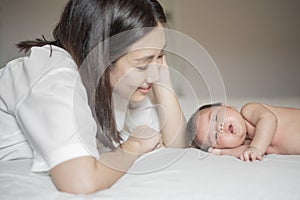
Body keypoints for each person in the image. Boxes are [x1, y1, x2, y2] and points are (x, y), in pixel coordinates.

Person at [0, 0, 187, 194]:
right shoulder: (54, 77)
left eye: (160, 55)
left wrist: (162, 82)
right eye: (141, 63)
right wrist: (134, 145)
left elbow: (176, 143)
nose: (154, 74)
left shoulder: (116, 83)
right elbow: (80, 181)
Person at [187, 102, 300, 161]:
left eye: (216, 118)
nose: (219, 127)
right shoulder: (249, 145)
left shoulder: (248, 111)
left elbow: (269, 120)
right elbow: (244, 153)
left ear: (228, 107)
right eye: (215, 136)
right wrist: (218, 153)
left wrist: (256, 148)